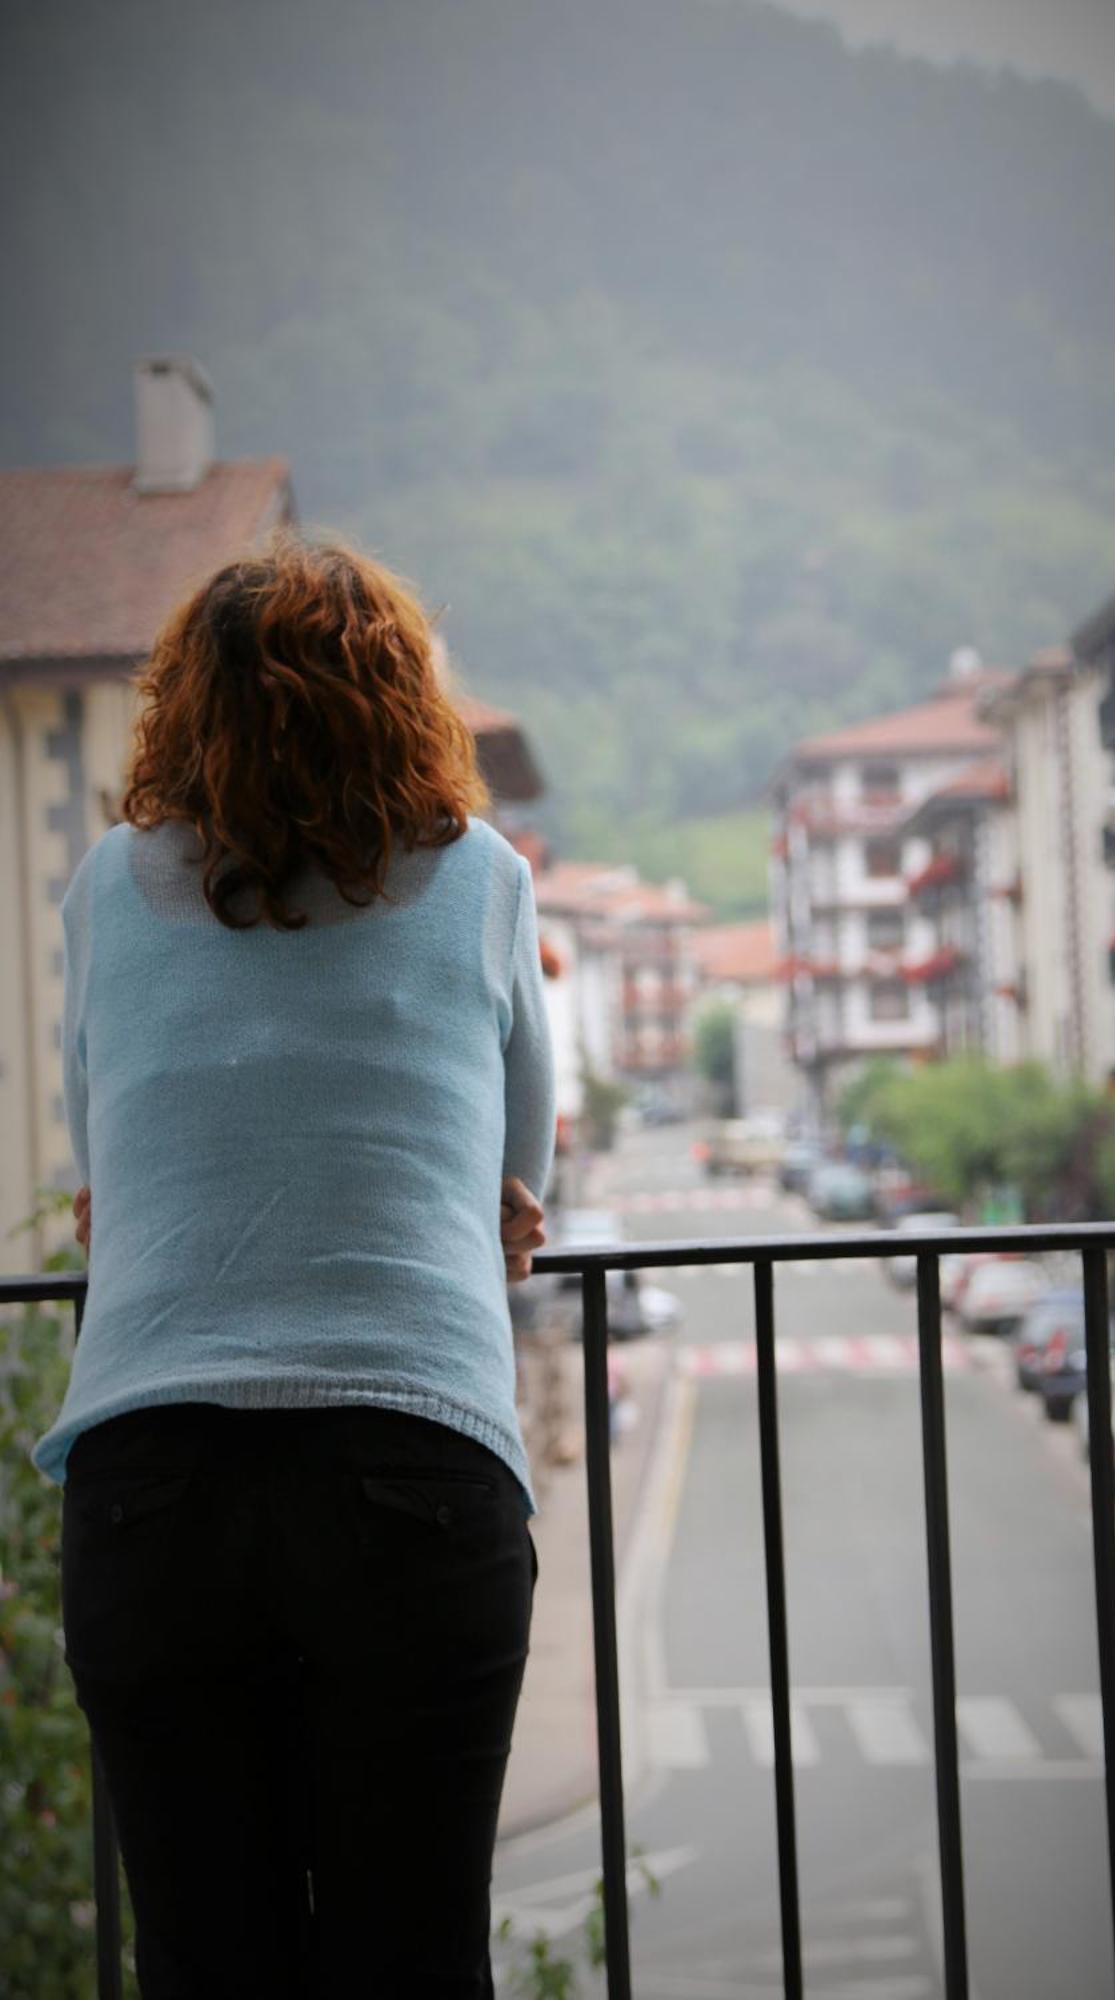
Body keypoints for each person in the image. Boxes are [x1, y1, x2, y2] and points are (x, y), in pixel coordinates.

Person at [32, 531, 557, 1998]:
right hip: (412, 1465)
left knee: (209, 1965)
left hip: (152, 1488)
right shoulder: (484, 882)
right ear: (403, 698)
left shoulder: (105, 890)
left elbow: (103, 1164)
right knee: (413, 1956)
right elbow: (525, 1173)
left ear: (180, 707)